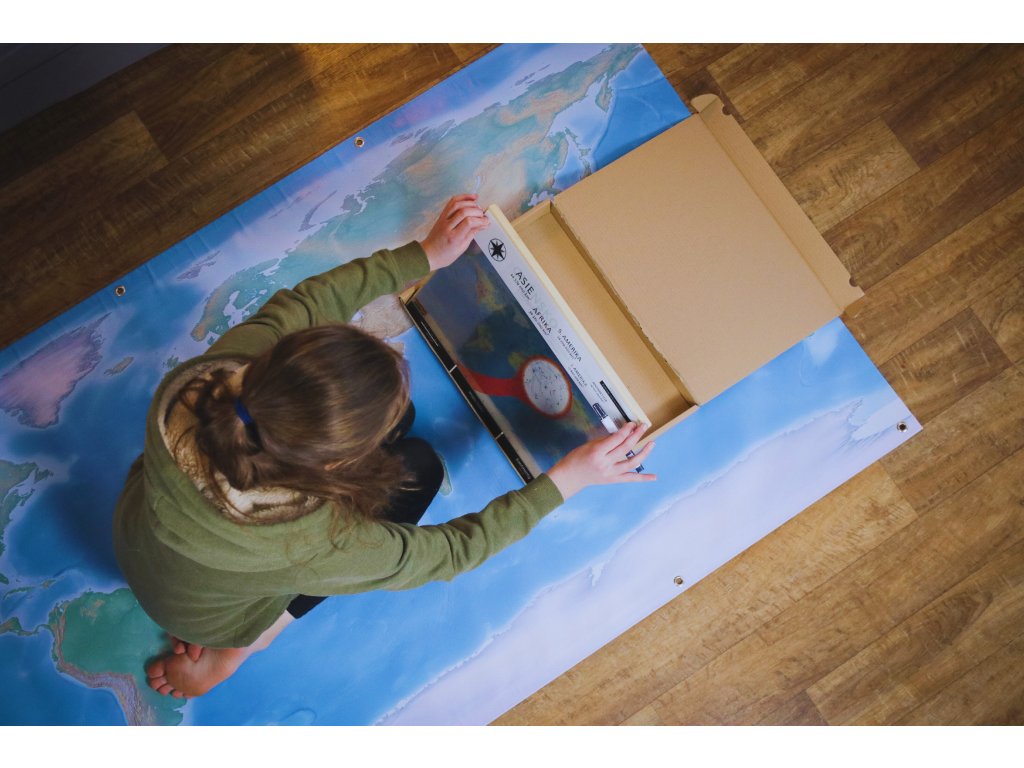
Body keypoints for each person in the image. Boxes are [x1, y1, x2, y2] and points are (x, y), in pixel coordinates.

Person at [112, 194, 656, 699]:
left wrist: (424, 255)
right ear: (335, 464)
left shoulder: (213, 372)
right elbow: (450, 552)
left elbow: (310, 299)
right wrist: (566, 480)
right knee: (419, 469)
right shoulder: (318, 545)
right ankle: (242, 648)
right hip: (212, 620)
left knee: (407, 426)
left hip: (141, 539)